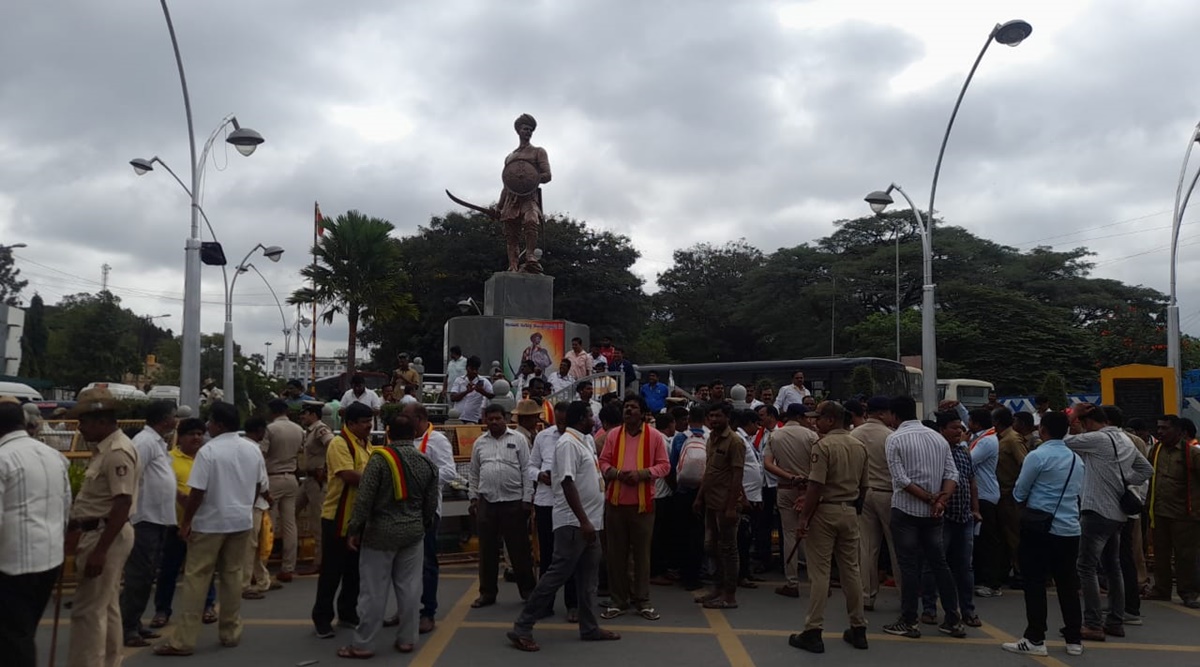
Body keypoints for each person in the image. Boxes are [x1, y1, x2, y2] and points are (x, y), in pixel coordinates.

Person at [153, 402, 270, 656]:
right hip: (241, 521)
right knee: (232, 576)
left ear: (218, 424)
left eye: (210, 422)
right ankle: (230, 632)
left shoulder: (209, 451)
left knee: (197, 578)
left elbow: (197, 492)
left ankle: (184, 640)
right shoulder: (252, 449)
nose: (206, 427)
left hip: (210, 522)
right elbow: (259, 486)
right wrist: (245, 507)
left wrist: (187, 522)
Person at [507, 401, 621, 651]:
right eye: (591, 415)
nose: (595, 419)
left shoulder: (587, 441)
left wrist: (591, 521)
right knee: (555, 576)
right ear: (582, 419)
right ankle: (522, 627)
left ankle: (589, 628)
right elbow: (567, 483)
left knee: (588, 579)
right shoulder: (567, 444)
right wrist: (583, 521)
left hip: (591, 522)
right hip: (574, 524)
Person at [338, 414, 439, 658]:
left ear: (388, 433)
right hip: (413, 533)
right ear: (415, 434)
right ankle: (407, 639)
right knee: (410, 589)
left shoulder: (380, 459)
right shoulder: (426, 462)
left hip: (380, 533)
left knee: (373, 591)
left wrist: (354, 529)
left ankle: (363, 644)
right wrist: (420, 524)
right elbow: (431, 504)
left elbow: (364, 498)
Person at [1064, 403, 1153, 640]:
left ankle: (1092, 623)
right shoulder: (1124, 439)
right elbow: (1146, 469)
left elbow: (1064, 441)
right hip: (1118, 513)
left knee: (1086, 567)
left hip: (1096, 510)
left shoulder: (1099, 439)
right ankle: (1115, 620)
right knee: (1113, 567)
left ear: (1090, 423)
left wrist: (1073, 415)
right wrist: (1123, 481)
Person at [1001, 411, 1085, 657]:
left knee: (1035, 582)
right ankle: (1074, 639)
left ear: (1044, 431)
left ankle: (1035, 638)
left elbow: (1020, 491)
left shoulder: (1037, 456)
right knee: (1067, 583)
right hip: (1069, 528)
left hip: (1039, 528)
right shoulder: (1075, 459)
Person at [882, 395, 967, 640]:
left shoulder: (894, 438)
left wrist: (931, 498)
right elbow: (953, 473)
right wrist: (941, 499)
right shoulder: (938, 439)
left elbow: (900, 479)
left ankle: (909, 621)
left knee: (909, 567)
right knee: (940, 564)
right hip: (934, 514)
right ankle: (953, 619)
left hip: (906, 512)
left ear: (895, 416)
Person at [66, 387, 139, 667]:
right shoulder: (107, 449)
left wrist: (100, 551)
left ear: (100, 421)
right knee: (106, 607)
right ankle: (109, 661)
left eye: (83, 422)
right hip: (102, 532)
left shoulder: (116, 452)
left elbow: (122, 503)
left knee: (88, 611)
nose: (80, 428)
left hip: (104, 534)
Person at [789, 401, 870, 653]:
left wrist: (804, 518)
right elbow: (865, 486)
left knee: (820, 573)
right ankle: (858, 628)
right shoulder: (859, 445)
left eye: (819, 418)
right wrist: (854, 508)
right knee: (851, 571)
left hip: (825, 511)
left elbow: (815, 486)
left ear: (831, 420)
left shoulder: (823, 446)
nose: (815, 422)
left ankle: (813, 630)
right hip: (849, 510)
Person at [0, 399, 71, 667]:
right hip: (49, 558)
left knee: (13, 638)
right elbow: (66, 507)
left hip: (12, 565)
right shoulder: (53, 456)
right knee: (23, 631)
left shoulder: (3, 458)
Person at [598, 396, 670, 620]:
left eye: (633, 407)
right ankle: (618, 600)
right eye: (626, 407)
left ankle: (643, 600)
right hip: (615, 504)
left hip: (643, 505)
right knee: (615, 554)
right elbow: (602, 462)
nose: (628, 410)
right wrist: (617, 474)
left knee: (641, 555)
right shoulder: (612, 435)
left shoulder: (655, 436)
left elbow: (665, 466)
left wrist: (643, 474)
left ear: (642, 413)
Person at [311, 402, 375, 638]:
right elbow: (348, 475)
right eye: (364, 422)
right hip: (338, 517)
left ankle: (347, 613)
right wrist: (378, 482)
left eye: (370, 421)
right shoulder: (339, 444)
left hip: (359, 519)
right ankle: (322, 618)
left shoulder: (366, 445)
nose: (369, 426)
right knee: (331, 571)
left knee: (355, 571)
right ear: (350, 424)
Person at [119, 400, 178, 647]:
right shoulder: (144, 442)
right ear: (165, 419)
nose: (176, 421)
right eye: (174, 416)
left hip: (158, 517)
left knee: (146, 575)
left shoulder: (157, 442)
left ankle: (134, 623)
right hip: (145, 518)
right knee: (139, 575)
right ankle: (127, 627)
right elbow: (133, 475)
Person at [151, 419, 216, 629]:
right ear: (181, 437)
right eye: (191, 434)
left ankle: (207, 606)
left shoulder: (207, 458)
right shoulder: (169, 459)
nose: (196, 438)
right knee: (169, 571)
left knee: (204, 569)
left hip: (202, 525)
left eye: (200, 433)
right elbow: (164, 486)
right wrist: (180, 497)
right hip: (176, 525)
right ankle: (162, 610)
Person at [468, 404, 535, 607]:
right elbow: (473, 473)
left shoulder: (519, 440)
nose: (494, 422)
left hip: (514, 502)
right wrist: (473, 498)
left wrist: (527, 498)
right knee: (487, 551)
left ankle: (528, 592)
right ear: (485, 420)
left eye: (498, 418)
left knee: (519, 551)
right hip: (487, 503)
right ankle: (487, 593)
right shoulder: (479, 443)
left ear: (505, 419)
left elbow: (527, 469)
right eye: (490, 419)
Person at [921, 411, 981, 628]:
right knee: (934, 564)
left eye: (961, 428)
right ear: (942, 430)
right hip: (942, 518)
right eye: (954, 428)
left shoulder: (964, 453)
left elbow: (972, 482)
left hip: (964, 518)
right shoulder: (935, 453)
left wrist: (975, 509)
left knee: (965, 567)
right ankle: (929, 608)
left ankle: (968, 610)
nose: (959, 432)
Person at [405, 402, 460, 633]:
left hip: (427, 511)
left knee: (427, 563)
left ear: (420, 418)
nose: (404, 422)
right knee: (403, 565)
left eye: (407, 418)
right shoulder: (403, 438)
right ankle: (404, 610)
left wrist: (420, 479)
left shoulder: (437, 440)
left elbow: (449, 471)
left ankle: (428, 612)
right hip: (403, 511)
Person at [763, 403, 819, 597]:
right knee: (811, 535)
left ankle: (792, 582)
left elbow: (768, 464)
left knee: (788, 535)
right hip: (809, 489)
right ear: (801, 417)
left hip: (785, 488)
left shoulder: (775, 435)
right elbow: (819, 465)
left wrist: (789, 476)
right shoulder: (811, 436)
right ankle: (817, 581)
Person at [528, 403, 577, 619]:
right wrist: (540, 475)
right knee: (547, 556)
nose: (561, 425)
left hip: (570, 504)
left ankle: (573, 605)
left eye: (565, 421)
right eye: (558, 421)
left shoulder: (581, 438)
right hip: (546, 501)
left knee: (570, 556)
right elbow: (530, 466)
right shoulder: (543, 437)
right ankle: (545, 604)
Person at [1146, 414, 1200, 608]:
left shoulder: (1191, 453)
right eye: (1159, 428)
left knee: (1186, 555)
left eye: (1165, 428)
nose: (1160, 432)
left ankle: (1189, 592)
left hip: (1185, 514)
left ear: (1178, 431)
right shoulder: (1156, 450)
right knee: (1160, 554)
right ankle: (1162, 589)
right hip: (1159, 511)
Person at [695, 402, 744, 610]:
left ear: (727, 418)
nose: (714, 419)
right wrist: (699, 497)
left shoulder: (734, 442)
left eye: (718, 416)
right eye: (711, 416)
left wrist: (732, 507)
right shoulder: (711, 439)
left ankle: (729, 595)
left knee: (728, 549)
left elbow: (737, 475)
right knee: (711, 547)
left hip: (726, 504)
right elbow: (708, 472)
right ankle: (718, 588)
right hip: (711, 503)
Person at [854, 396, 898, 609]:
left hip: (863, 493)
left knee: (867, 547)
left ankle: (867, 596)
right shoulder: (891, 436)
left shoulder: (854, 435)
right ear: (882, 413)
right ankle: (904, 593)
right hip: (887, 493)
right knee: (896, 546)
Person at [262, 398, 306, 582]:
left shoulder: (270, 429)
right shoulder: (298, 429)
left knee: (267, 524)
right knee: (290, 525)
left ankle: (261, 566)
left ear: (272, 412)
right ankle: (288, 567)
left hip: (273, 478)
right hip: (292, 478)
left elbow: (262, 453)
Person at [967, 408, 1003, 598]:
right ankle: (982, 579)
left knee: (988, 541)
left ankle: (992, 583)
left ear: (977, 424)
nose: (966, 424)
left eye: (969, 421)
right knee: (979, 541)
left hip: (985, 495)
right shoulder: (983, 436)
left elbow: (968, 460)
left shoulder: (987, 441)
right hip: (981, 493)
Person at [296, 402, 334, 576]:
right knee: (291, 510)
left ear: (312, 414)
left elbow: (332, 445)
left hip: (317, 481)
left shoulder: (320, 429)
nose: (302, 417)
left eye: (304, 414)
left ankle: (320, 561)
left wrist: (326, 468)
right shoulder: (310, 431)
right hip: (309, 479)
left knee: (318, 522)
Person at [239, 418, 274, 600]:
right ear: (259, 430)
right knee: (251, 546)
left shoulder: (241, 446)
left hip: (250, 502)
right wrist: (268, 497)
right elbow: (260, 482)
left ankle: (262, 579)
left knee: (255, 545)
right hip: (254, 503)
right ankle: (245, 584)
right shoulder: (254, 449)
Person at [450, 356, 494, 424]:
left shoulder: (484, 381)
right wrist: (466, 392)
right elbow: (452, 398)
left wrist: (482, 391)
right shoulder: (459, 380)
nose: (474, 372)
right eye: (472, 369)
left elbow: (492, 396)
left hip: (474, 419)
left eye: (476, 369)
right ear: (467, 368)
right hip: (458, 417)